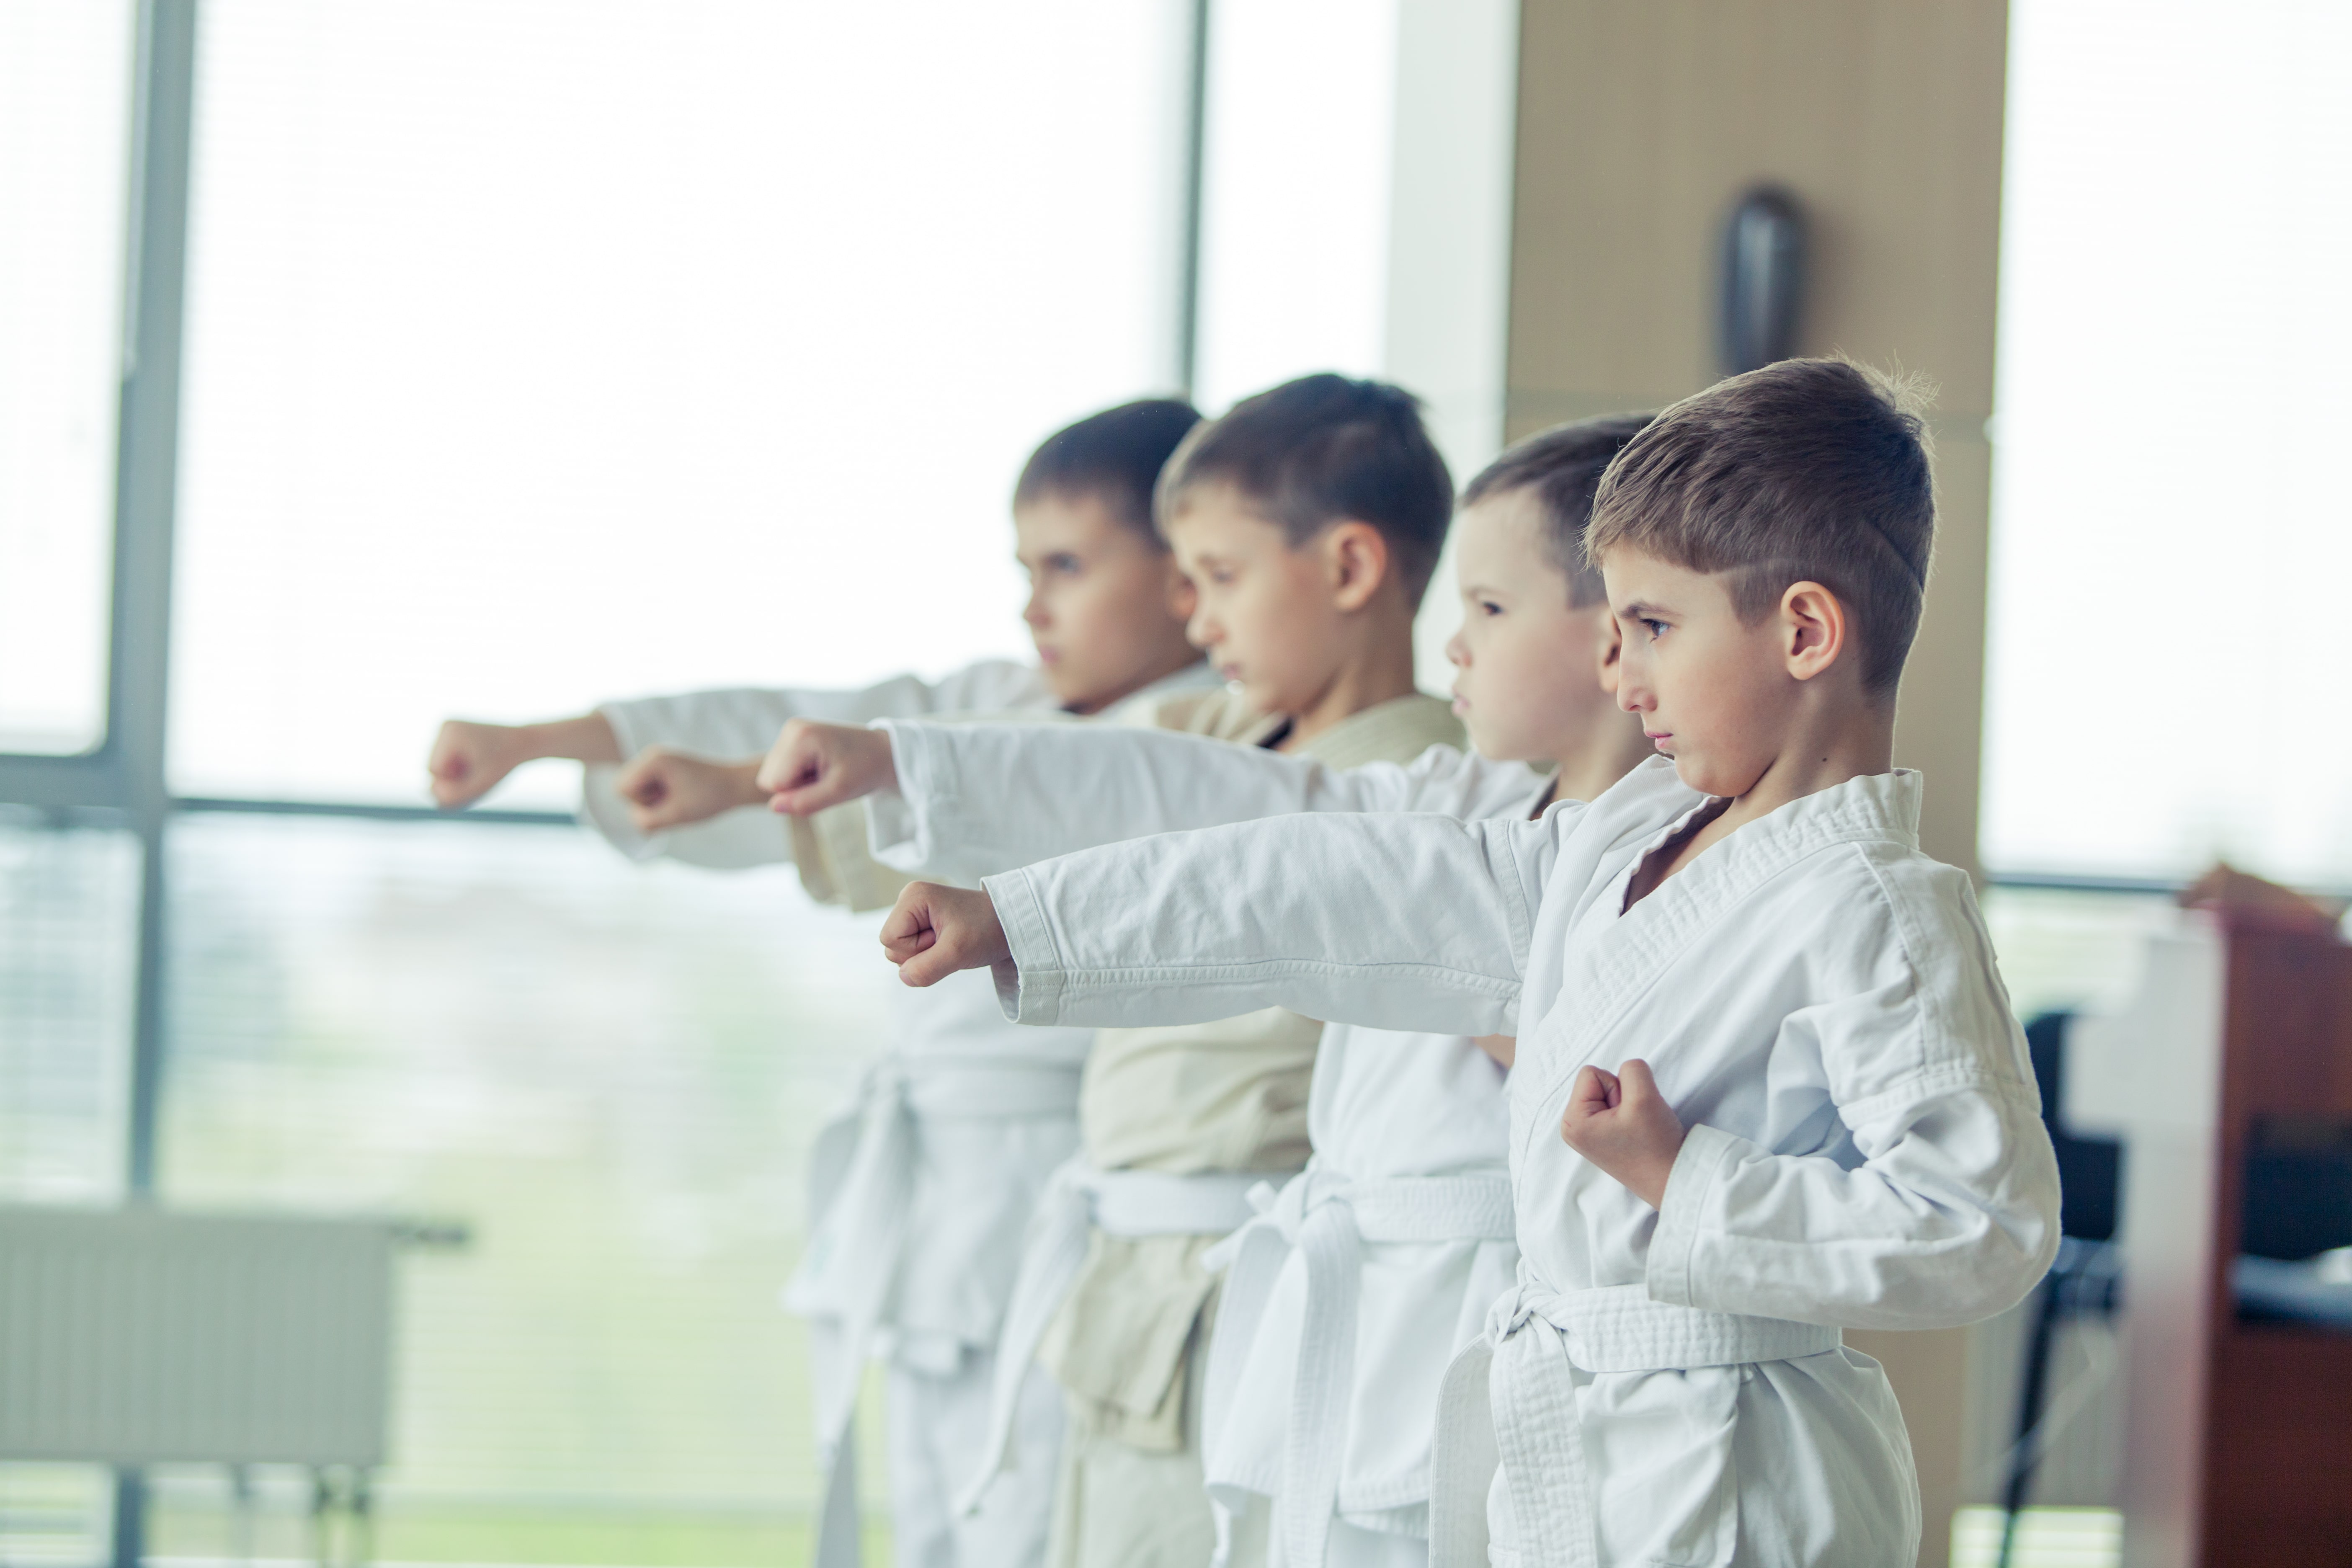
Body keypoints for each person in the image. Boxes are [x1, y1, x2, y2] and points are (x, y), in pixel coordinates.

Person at [869, 359, 2064, 1567]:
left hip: (1744, 1475)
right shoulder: (1618, 841)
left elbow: (1982, 1222)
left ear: (1804, 630)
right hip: (1580, 1455)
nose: (1621, 669)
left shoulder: (1876, 906)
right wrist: (1035, 919)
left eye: (1653, 626)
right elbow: (1331, 889)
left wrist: (1686, 1176)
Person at [752, 414, 1660, 1566]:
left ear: (1625, 636)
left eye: (1489, 610)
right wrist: (923, 785)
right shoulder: (1465, 800)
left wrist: (1520, 1033)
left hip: (1479, 1339)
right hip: (1353, 1324)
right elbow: (1213, 812)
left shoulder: (1654, 861)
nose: (1456, 649)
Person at [425, 397, 1216, 1568]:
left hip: (1068, 1182)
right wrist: (547, 740)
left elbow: (988, 791)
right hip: (940, 1189)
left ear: (1187, 577)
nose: (1032, 602)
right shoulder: (997, 693)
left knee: (1036, 1510)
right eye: (1022, 567)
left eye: (1067, 564)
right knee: (941, 1507)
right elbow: (804, 726)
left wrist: (749, 785)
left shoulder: (1203, 740)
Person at [864, 373, 1465, 1568]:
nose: (1199, 623)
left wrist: (1010, 923)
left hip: (1241, 1262)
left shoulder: (1424, 776)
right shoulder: (1224, 737)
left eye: (1225, 581)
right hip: (1129, 1261)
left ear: (1350, 570)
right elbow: (1076, 785)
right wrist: (886, 786)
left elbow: (1216, 898)